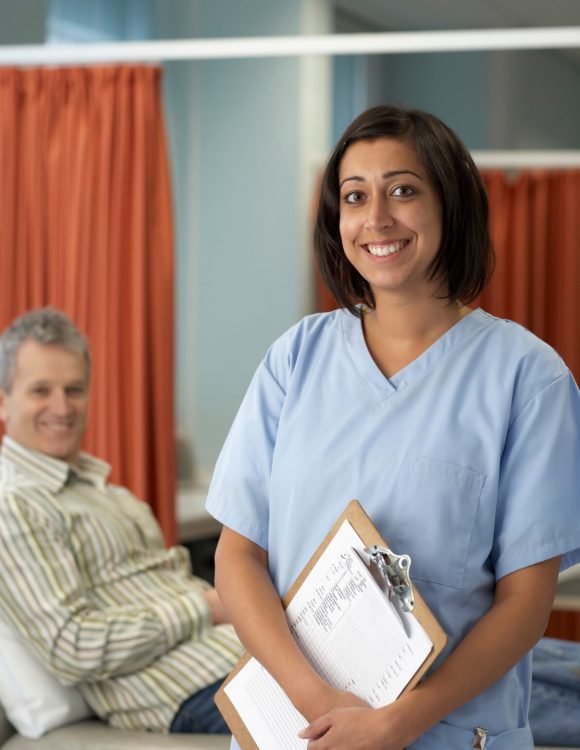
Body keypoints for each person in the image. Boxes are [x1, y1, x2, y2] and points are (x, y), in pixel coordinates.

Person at [205, 104, 580, 749]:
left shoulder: (528, 377)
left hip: (453, 734)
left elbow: (525, 605)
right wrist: (321, 704)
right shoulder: (296, 359)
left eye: (403, 190)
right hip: (301, 731)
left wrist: (397, 723)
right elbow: (238, 557)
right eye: (355, 197)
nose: (377, 218)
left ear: (451, 205)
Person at [0, 306, 243, 734]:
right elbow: (72, 646)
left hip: (242, 656)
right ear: (4, 401)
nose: (61, 407)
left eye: (74, 390)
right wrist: (206, 607)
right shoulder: (15, 505)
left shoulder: (112, 494)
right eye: (41, 391)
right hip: (191, 687)